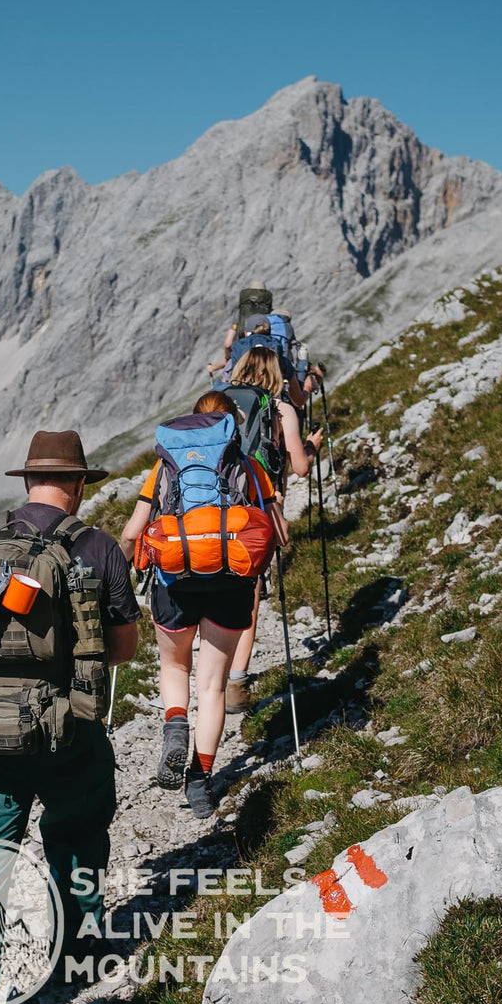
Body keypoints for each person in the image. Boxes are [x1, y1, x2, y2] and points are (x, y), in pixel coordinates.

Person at [0, 430, 141, 1004]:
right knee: (76, 838)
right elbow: (122, 647)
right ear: (77, 483)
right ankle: (74, 960)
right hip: (69, 733)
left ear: (27, 480)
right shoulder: (97, 547)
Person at [120, 392, 284, 819]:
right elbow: (276, 532)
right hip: (232, 584)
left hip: (175, 582)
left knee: (175, 667)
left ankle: (175, 724)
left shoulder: (164, 467)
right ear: (231, 426)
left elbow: (134, 530)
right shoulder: (250, 466)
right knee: (212, 686)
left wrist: (119, 566)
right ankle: (200, 780)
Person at [221, 348, 324, 713]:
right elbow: (299, 468)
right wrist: (311, 445)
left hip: (209, 511)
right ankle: (235, 684)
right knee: (249, 594)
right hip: (255, 510)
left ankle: (209, 672)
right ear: (277, 373)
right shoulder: (282, 410)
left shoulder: (215, 403)